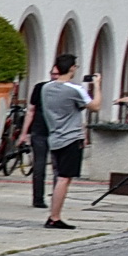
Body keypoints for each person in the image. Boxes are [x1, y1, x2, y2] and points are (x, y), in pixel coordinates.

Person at [41, 54, 100, 229]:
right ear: (72, 68)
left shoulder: (46, 88)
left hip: (54, 136)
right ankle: (54, 217)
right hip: (71, 138)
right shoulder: (75, 89)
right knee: (64, 179)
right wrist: (97, 85)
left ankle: (54, 215)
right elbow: (95, 106)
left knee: (59, 176)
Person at [17, 72, 53, 209]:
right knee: (39, 165)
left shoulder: (68, 89)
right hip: (39, 131)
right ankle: (38, 198)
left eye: (57, 74)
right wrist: (24, 133)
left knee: (58, 167)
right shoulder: (40, 87)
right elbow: (31, 111)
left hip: (58, 132)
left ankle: (57, 197)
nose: (55, 77)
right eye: (53, 74)